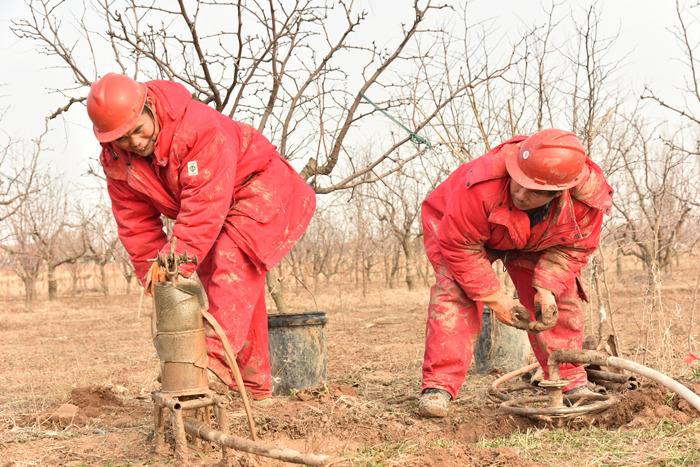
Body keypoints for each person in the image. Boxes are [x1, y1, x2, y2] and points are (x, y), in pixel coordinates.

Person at [86, 73, 316, 400]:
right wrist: (157, 276)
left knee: (231, 263)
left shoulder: (200, 129)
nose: (134, 142)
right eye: (123, 138)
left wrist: (177, 265)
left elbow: (202, 209)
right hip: (213, 208)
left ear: (150, 107)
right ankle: (251, 387)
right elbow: (135, 224)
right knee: (220, 286)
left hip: (260, 187)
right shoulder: (118, 163)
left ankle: (210, 366)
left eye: (139, 130)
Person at [418, 129, 613, 417]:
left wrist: (547, 289)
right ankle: (438, 387)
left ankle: (570, 381)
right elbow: (459, 246)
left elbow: (574, 249)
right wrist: (495, 298)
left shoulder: (586, 204)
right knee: (456, 292)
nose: (520, 193)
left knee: (561, 300)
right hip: (460, 230)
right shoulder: (481, 185)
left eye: (534, 191)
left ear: (560, 191)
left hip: (535, 239)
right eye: (517, 182)